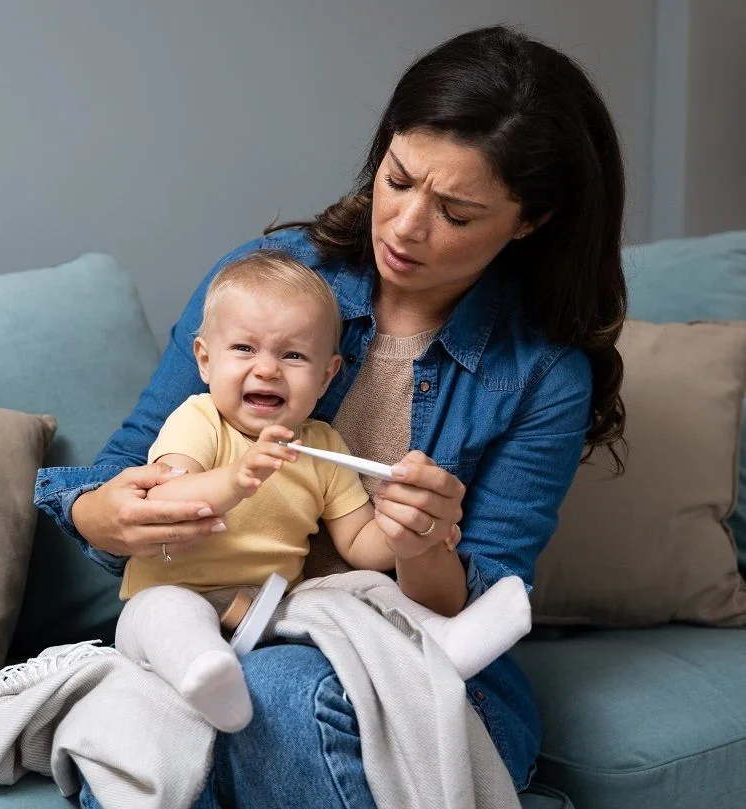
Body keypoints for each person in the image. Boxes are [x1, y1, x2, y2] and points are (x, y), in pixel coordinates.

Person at [35, 23, 627, 807]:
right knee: (166, 721)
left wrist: (423, 541)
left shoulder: (544, 373)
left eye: (454, 212)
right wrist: (102, 512)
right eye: (397, 177)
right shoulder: (269, 283)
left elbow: (474, 604)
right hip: (226, 627)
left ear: (528, 221)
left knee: (269, 696)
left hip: (409, 657)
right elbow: (125, 471)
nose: (405, 226)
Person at [115, 249, 532, 734]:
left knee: (365, 588)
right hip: (173, 594)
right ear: (205, 361)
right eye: (244, 350)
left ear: (327, 374)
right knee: (166, 615)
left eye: (292, 355)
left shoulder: (321, 447)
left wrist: (406, 528)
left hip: (269, 610)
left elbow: (359, 546)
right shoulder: (199, 418)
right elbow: (164, 499)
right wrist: (238, 476)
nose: (268, 369)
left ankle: (441, 641)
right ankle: (208, 677)